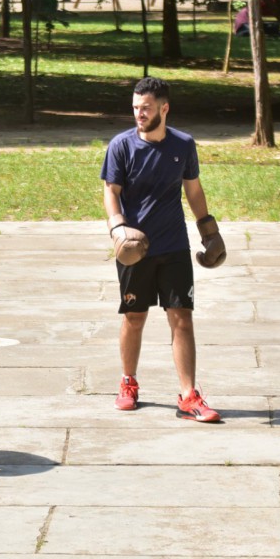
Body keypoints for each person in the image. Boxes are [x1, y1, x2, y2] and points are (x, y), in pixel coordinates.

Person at [99, 77, 226, 423]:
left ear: (164, 108)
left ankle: (189, 396)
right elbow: (111, 191)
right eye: (136, 108)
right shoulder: (121, 146)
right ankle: (128, 383)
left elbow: (193, 190)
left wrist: (209, 232)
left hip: (173, 244)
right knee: (134, 317)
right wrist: (117, 228)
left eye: (147, 108)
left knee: (181, 317)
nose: (140, 114)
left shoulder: (183, 145)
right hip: (133, 249)